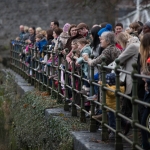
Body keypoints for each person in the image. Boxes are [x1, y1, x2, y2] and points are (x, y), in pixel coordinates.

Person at [116, 32, 140, 135]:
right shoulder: (136, 44)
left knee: (129, 103)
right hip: (133, 77)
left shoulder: (132, 46)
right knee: (133, 103)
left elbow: (119, 59)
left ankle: (127, 126)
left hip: (131, 77)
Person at [98, 73, 124, 139]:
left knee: (113, 121)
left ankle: (113, 132)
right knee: (112, 119)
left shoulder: (114, 88)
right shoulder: (112, 87)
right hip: (110, 107)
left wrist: (103, 84)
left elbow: (110, 92)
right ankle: (111, 129)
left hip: (112, 107)